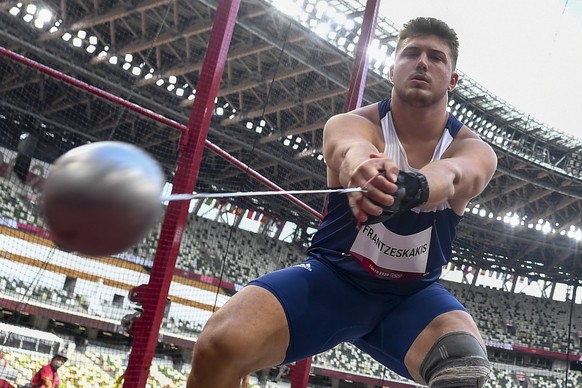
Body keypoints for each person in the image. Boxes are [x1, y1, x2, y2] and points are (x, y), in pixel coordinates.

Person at [187, 16, 497, 388]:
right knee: (219, 345)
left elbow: (455, 175)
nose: (422, 63)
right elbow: (349, 149)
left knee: (466, 371)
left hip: (411, 300)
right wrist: (365, 170)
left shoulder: (473, 148)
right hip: (332, 281)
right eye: (411, 53)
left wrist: (412, 187)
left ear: (453, 80)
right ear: (392, 67)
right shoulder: (351, 122)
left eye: (437, 57)